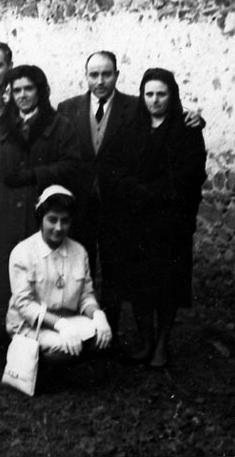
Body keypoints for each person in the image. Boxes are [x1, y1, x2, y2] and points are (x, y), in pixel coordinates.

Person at [108, 68, 206, 368]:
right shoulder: (131, 127)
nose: (154, 100)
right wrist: (134, 190)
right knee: (139, 284)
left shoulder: (186, 129)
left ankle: (162, 344)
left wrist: (154, 193)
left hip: (169, 221)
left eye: (161, 94)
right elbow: (112, 166)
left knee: (167, 284)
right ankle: (145, 340)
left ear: (172, 95)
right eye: (149, 94)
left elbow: (189, 174)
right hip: (135, 219)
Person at [0, 64, 80, 318]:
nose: (22, 95)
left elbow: (73, 166)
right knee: (6, 275)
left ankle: (44, 326)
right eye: (16, 90)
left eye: (28, 88)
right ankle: (10, 329)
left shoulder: (60, 126)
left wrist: (35, 175)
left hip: (41, 213)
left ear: (40, 91)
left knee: (42, 273)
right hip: (3, 213)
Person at [56, 51, 140, 334]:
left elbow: (166, 116)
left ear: (117, 74)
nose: (100, 81)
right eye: (94, 75)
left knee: (114, 267)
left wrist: (193, 119)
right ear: (86, 76)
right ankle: (82, 327)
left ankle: (111, 328)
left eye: (106, 74)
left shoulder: (135, 107)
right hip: (79, 203)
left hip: (117, 201)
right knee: (80, 264)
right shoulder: (67, 108)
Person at [6, 185, 113, 362]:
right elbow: (25, 305)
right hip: (31, 325)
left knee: (100, 335)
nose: (58, 227)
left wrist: (97, 315)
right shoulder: (23, 252)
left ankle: (66, 361)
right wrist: (60, 325)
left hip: (70, 320)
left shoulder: (79, 252)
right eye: (52, 219)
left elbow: (85, 295)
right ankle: (40, 365)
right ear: (41, 219)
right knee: (61, 349)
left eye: (65, 221)